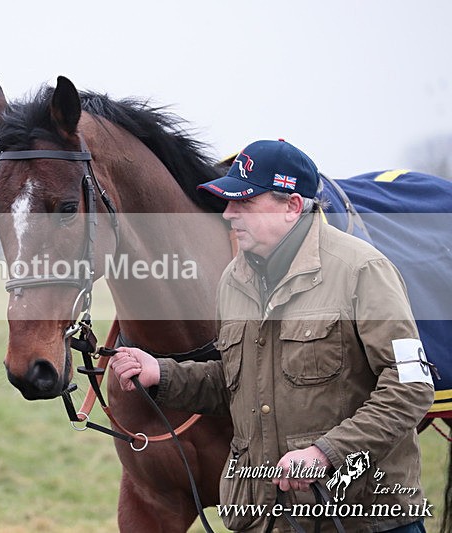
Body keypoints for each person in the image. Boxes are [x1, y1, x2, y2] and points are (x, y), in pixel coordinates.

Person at [110, 139, 435, 532]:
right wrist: (162, 375)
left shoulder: (363, 270)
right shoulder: (235, 280)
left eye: (244, 203)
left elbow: (411, 387)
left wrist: (327, 453)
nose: (228, 214)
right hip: (267, 519)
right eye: (228, 202)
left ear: (292, 207)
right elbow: (237, 384)